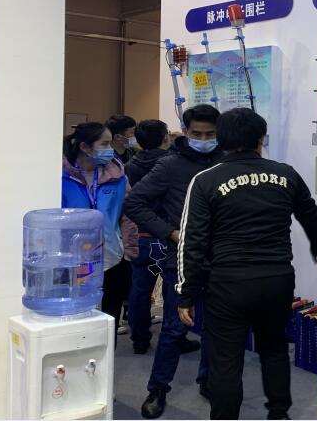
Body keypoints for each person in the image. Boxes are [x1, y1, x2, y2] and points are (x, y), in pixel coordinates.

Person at [176, 107, 317, 421]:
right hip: (276, 278)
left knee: (225, 360)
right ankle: (279, 414)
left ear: (221, 140)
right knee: (274, 349)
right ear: (261, 139)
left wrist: (186, 294)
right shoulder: (285, 173)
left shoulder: (205, 180)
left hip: (228, 283)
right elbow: (309, 211)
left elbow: (192, 241)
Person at [124, 104, 223, 419]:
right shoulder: (170, 165)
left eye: (210, 134)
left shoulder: (227, 163)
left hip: (221, 260)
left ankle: (208, 381)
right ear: (186, 131)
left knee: (215, 328)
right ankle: (158, 389)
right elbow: (134, 203)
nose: (203, 140)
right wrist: (170, 232)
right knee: (173, 328)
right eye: (197, 134)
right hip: (180, 261)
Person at [62, 122, 132, 336]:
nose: (110, 149)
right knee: (78, 319)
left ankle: (109, 356)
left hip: (112, 257)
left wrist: (129, 249)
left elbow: (127, 214)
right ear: (85, 147)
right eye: (104, 144)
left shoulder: (117, 176)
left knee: (110, 318)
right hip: (74, 260)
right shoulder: (62, 177)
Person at [125, 119, 173, 355]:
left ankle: (139, 339)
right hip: (166, 235)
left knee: (140, 290)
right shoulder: (171, 164)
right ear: (165, 137)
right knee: (171, 290)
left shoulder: (129, 165)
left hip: (139, 235)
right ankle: (172, 339)